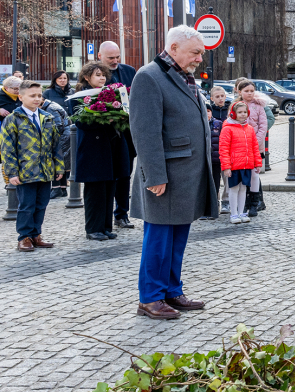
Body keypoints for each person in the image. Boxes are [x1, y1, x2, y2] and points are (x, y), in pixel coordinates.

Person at [130, 25, 217, 320]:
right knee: (158, 238)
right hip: (165, 175)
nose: (199, 59)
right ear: (175, 48)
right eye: (195, 52)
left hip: (185, 173)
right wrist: (154, 175)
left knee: (177, 236)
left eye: (201, 53)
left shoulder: (183, 75)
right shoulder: (149, 77)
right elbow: (145, 132)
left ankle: (171, 290)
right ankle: (150, 298)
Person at [0, 80, 63, 252]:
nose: (37, 99)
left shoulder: (47, 117)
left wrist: (59, 167)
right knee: (26, 205)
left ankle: (36, 234)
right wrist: (12, 172)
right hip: (25, 171)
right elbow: (7, 149)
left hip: (45, 170)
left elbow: (55, 145)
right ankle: (24, 237)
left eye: (39, 95)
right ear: (21, 97)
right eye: (32, 95)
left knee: (41, 204)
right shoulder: (13, 119)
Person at [73, 61, 128, 241]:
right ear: (87, 77)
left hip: (111, 148)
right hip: (93, 150)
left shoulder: (110, 94)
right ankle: (93, 228)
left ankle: (105, 227)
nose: (102, 77)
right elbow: (80, 122)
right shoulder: (80, 96)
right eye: (97, 74)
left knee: (109, 189)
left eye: (103, 74)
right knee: (95, 191)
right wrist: (105, 119)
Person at [98, 41, 137, 230]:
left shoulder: (129, 71)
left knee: (125, 174)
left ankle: (121, 214)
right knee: (106, 177)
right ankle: (103, 217)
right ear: (99, 57)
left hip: (127, 133)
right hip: (104, 135)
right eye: (110, 58)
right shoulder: (94, 74)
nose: (115, 61)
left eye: (117, 57)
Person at [219, 100, 262, 224]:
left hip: (247, 165)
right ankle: (234, 214)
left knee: (243, 189)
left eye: (244, 112)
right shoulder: (227, 129)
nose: (243, 114)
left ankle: (242, 211)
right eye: (239, 112)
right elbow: (224, 149)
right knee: (233, 189)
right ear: (233, 113)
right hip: (234, 166)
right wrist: (226, 167)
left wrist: (257, 163)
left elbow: (255, 147)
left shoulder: (249, 129)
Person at [233, 78, 269, 217]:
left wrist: (255, 141)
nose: (249, 93)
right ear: (240, 91)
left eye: (252, 91)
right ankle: (243, 203)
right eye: (246, 91)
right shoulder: (235, 105)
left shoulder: (259, 106)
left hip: (255, 147)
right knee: (242, 176)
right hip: (240, 147)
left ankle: (254, 203)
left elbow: (263, 126)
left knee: (254, 175)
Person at [39, 96, 71, 198]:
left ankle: (56, 188)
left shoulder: (50, 108)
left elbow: (58, 125)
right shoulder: (51, 106)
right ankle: (62, 189)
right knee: (62, 163)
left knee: (54, 161)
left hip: (61, 138)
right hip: (65, 136)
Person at [208, 86, 229, 212]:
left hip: (227, 148)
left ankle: (226, 201)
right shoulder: (210, 111)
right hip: (214, 149)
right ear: (212, 98)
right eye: (217, 97)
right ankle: (213, 201)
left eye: (222, 96)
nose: (220, 99)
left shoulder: (229, 110)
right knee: (214, 178)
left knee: (227, 177)